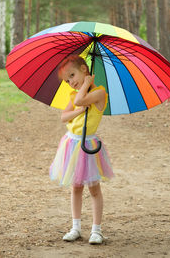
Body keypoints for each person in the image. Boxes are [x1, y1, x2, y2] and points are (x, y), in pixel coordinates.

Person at [49, 55, 114, 245]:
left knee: (94, 189)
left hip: (89, 146)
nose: (70, 82)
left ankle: (96, 230)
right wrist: (78, 112)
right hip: (72, 144)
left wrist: (86, 85)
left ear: (84, 70)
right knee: (75, 188)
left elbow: (80, 100)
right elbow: (64, 117)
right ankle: (75, 227)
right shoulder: (74, 95)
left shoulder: (100, 93)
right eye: (67, 80)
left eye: (72, 76)